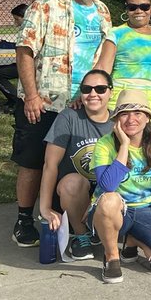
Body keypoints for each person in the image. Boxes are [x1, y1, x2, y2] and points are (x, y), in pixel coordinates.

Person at [11, 0, 113, 248]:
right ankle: (23, 220)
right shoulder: (46, 5)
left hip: (82, 103)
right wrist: (31, 95)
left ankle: (64, 222)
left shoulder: (103, 11)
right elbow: (24, 50)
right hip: (44, 102)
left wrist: (96, 93)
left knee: (69, 165)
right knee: (32, 161)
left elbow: (106, 52)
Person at [89, 91, 151, 284]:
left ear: (148, 118)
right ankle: (112, 257)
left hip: (147, 208)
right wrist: (124, 145)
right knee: (110, 199)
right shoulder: (105, 145)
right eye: (124, 113)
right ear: (116, 120)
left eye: (138, 113)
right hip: (111, 211)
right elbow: (107, 185)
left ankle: (133, 240)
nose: (131, 119)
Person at [37, 68, 114, 261]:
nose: (93, 94)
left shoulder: (119, 122)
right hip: (77, 192)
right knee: (71, 182)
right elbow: (50, 164)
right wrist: (44, 208)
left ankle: (111, 234)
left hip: (107, 190)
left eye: (100, 88)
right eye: (87, 89)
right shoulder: (68, 117)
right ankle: (82, 236)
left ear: (110, 91)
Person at [99, 0, 151, 131]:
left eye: (144, 6)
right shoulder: (116, 33)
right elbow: (103, 68)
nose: (139, 11)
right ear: (127, 9)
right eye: (133, 7)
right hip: (121, 101)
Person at [0, 3, 27, 111]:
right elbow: (18, 45)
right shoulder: (27, 30)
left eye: (17, 19)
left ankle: (16, 100)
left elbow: (20, 46)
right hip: (24, 63)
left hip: (29, 66)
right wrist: (1, 43)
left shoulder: (28, 31)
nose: (15, 24)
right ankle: (13, 99)